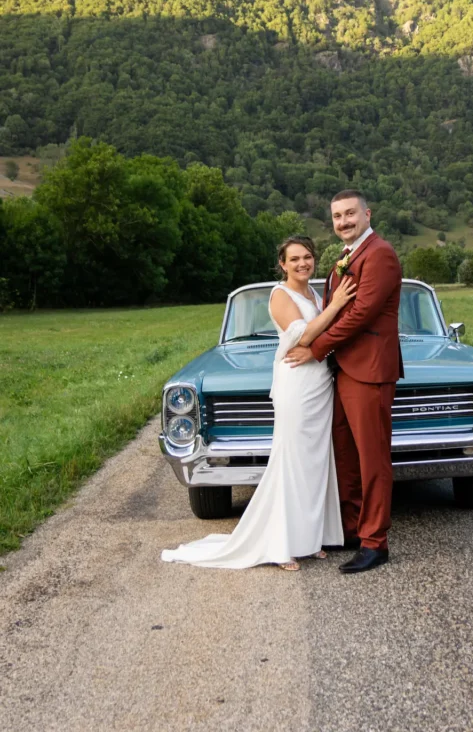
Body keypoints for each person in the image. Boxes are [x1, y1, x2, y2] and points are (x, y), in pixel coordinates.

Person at [161, 236, 355, 571]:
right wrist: (336, 305)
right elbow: (303, 336)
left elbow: (325, 335)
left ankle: (309, 539)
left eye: (307, 257)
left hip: (320, 382)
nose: (302, 264)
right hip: (297, 382)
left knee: (316, 461)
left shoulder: (312, 293)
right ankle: (280, 545)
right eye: (294, 259)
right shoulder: (280, 294)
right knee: (291, 460)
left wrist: (332, 310)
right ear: (282, 263)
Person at [285, 191, 402, 574]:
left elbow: (361, 316)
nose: (344, 221)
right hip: (343, 371)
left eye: (350, 213)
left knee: (372, 460)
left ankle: (375, 542)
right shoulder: (344, 259)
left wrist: (314, 349)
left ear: (367, 214)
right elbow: (333, 312)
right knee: (346, 457)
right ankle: (352, 529)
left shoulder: (380, 254)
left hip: (369, 370)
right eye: (337, 216)